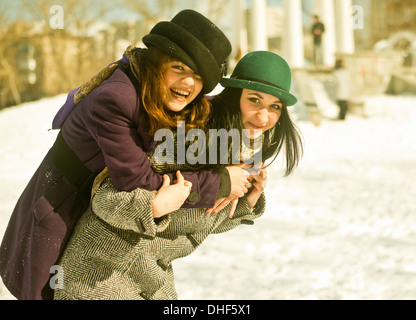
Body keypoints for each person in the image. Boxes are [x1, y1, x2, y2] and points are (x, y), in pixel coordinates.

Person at [0, 10, 246, 300]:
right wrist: (219, 183)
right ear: (158, 61)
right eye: (179, 68)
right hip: (63, 211)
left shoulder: (162, 91)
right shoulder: (116, 98)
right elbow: (137, 179)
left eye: (198, 76)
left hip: (107, 223)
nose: (188, 83)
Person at [53, 50, 303, 300]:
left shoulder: (242, 153)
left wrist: (248, 198)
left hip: (151, 279)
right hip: (100, 276)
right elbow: (106, 199)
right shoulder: (193, 140)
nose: (263, 116)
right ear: (235, 96)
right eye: (254, 100)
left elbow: (198, 221)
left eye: (275, 107)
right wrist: (155, 205)